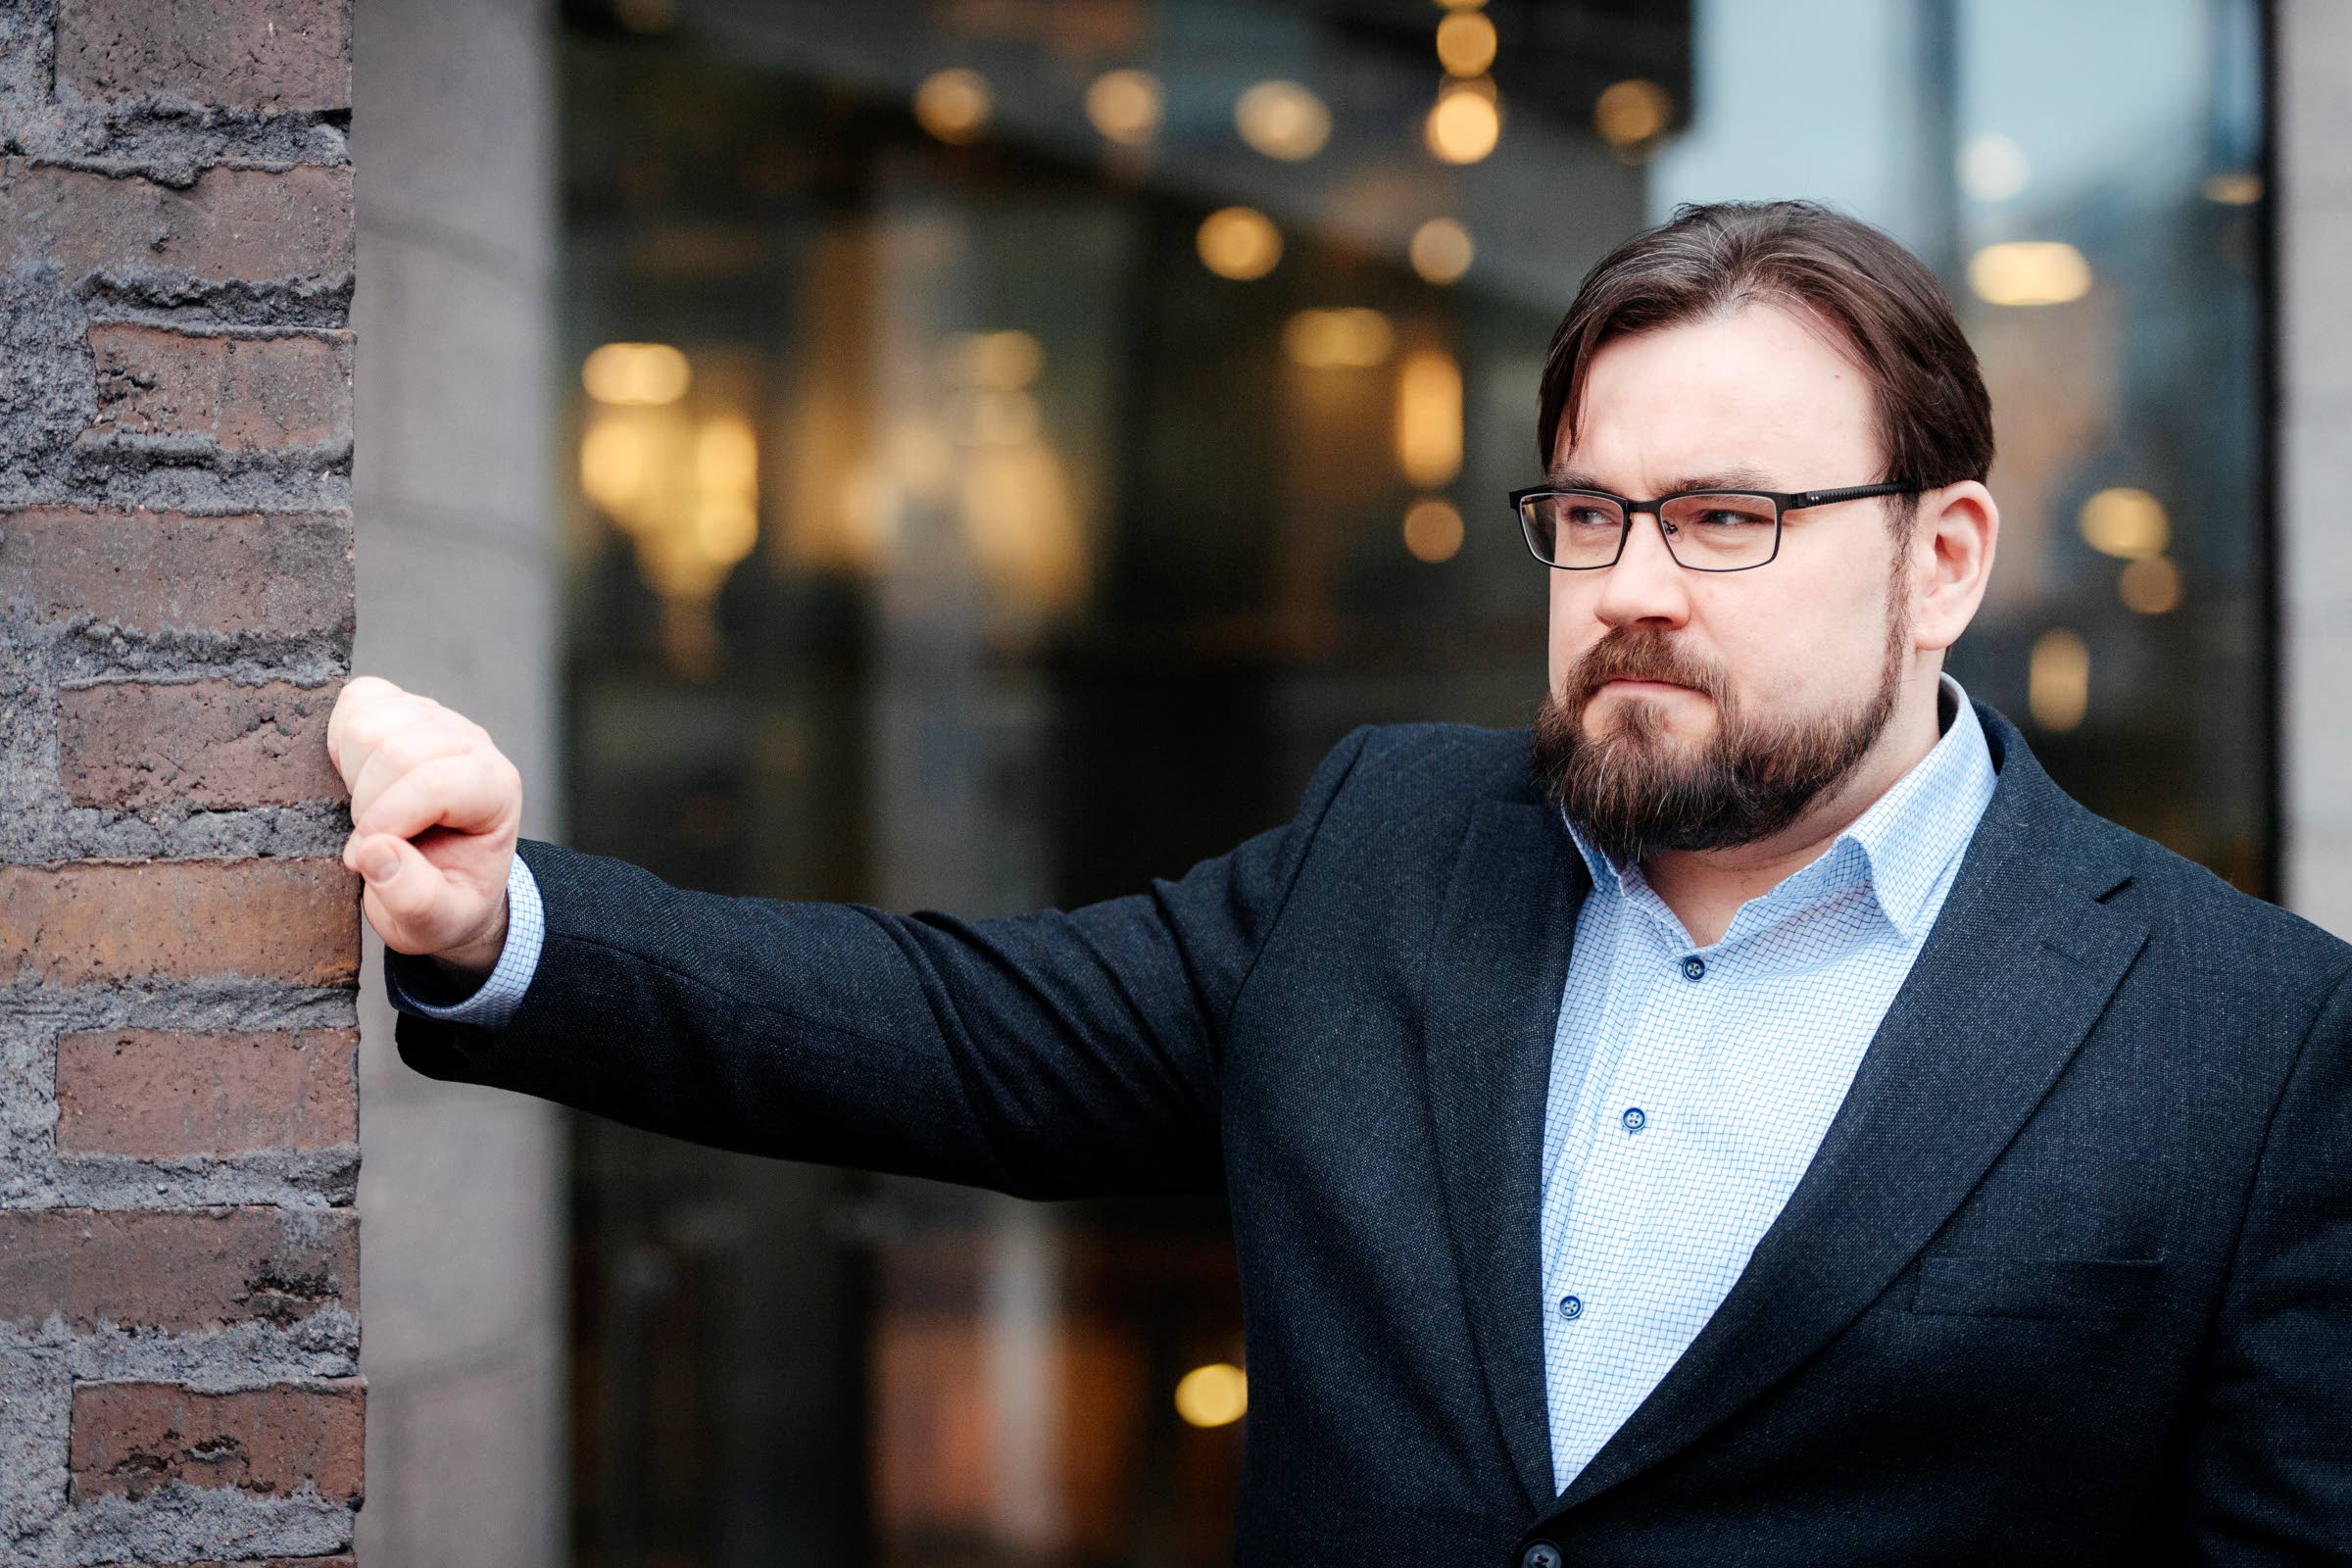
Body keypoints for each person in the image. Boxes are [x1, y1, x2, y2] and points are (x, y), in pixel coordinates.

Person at [330, 199, 2352, 1565]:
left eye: (1727, 517)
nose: (1631, 587)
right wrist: (504, 921)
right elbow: (957, 1031)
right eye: (1589, 514)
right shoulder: (1395, 845)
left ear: (1945, 558)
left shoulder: (2249, 1037)